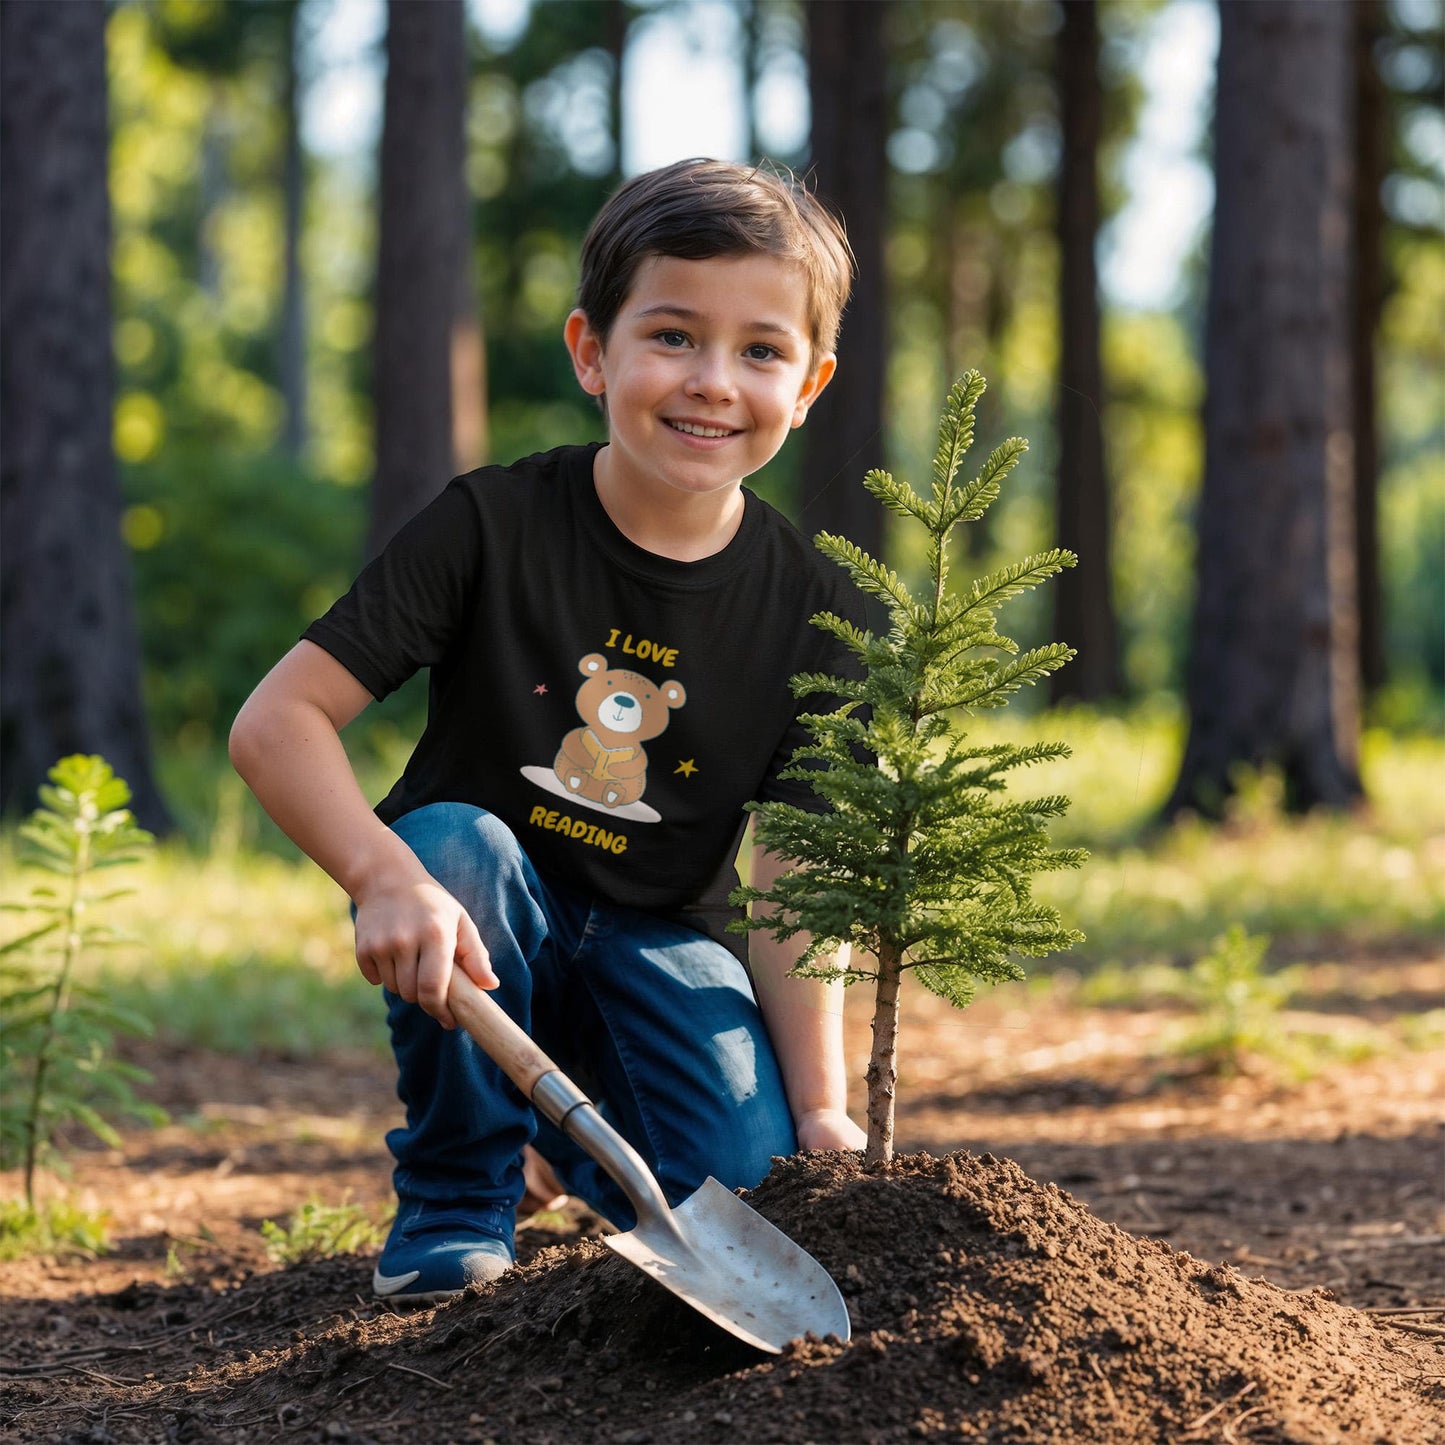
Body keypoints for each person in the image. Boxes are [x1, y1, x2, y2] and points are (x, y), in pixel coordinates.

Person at [229, 157, 868, 1305]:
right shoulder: (493, 523)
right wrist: (382, 874)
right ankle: (456, 1192)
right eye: (671, 335)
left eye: (760, 350)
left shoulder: (810, 607)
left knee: (744, 1177)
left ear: (810, 380)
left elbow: (798, 869)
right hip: (479, 920)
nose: (713, 381)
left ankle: (568, 1143)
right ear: (591, 350)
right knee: (456, 846)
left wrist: (821, 1103)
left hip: (657, 940)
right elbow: (278, 722)